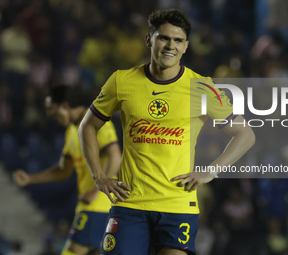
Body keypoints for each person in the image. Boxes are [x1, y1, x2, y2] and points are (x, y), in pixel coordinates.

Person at [78, 9, 255, 255]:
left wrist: (210, 171)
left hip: (178, 204)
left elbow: (245, 134)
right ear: (149, 40)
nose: (170, 45)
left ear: (186, 47)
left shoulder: (202, 88)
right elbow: (87, 125)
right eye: (163, 38)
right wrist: (99, 176)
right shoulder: (121, 81)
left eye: (178, 40)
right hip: (130, 204)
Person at [13, 85, 121, 255]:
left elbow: (115, 157)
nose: (49, 114)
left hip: (98, 204)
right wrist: (30, 178)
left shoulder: (96, 122)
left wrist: (94, 191)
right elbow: (64, 170)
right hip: (90, 204)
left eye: (51, 109)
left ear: (64, 105)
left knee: (71, 251)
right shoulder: (71, 131)